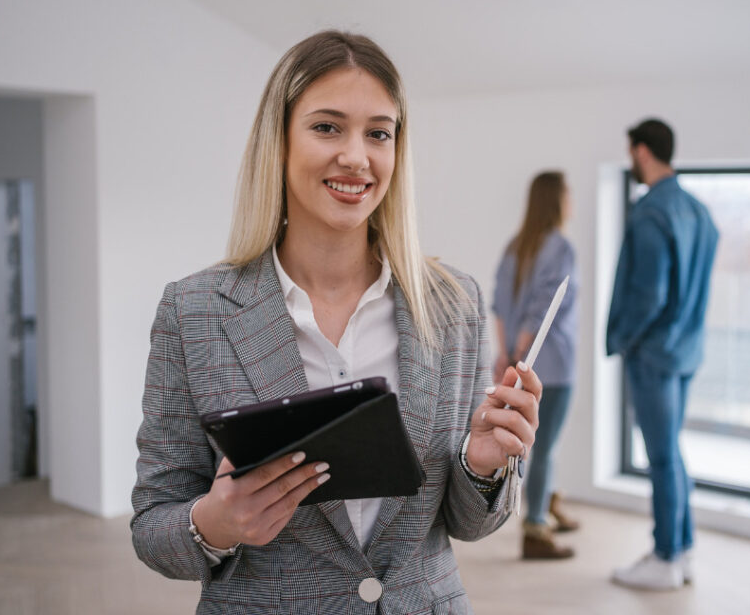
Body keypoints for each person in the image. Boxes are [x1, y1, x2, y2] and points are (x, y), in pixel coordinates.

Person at [130, 30, 544, 614]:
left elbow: (467, 525)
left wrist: (482, 465)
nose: (357, 156)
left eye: (379, 133)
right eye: (327, 127)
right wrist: (217, 522)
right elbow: (152, 527)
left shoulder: (455, 304)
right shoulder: (194, 311)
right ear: (279, 141)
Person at [606, 118, 718, 590]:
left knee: (661, 457)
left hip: (653, 352)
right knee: (671, 452)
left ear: (642, 151)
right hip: (686, 351)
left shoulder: (651, 211)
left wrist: (624, 338)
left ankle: (666, 556)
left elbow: (648, 294)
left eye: (632, 152)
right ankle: (683, 549)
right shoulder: (699, 211)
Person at [491, 171, 580, 560]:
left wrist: (507, 353)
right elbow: (543, 308)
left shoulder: (516, 245)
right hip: (552, 365)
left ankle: (546, 503)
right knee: (543, 447)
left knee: (534, 445)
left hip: (514, 358)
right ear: (557, 201)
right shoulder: (560, 246)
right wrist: (523, 352)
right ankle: (536, 526)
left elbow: (498, 305)